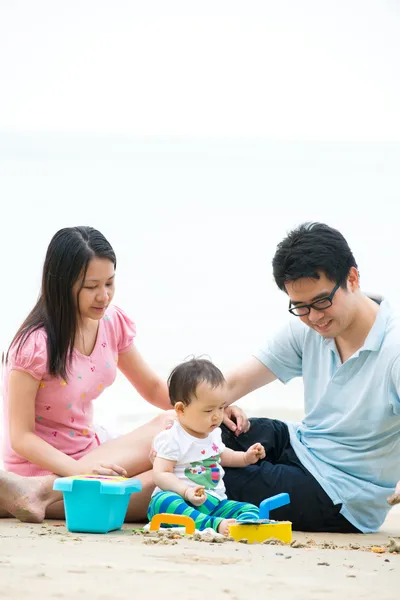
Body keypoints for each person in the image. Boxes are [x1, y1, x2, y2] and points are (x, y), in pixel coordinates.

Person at [0, 226, 246, 524]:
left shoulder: (111, 322)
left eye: (110, 283)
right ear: (62, 284)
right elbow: (21, 437)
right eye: (91, 286)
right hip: (44, 465)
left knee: (172, 453)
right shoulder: (35, 345)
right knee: (170, 485)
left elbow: (156, 390)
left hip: (94, 453)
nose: (103, 296)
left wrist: (214, 405)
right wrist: (77, 471)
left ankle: (43, 494)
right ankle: (37, 490)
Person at [219, 222, 400, 534]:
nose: (314, 317)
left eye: (321, 302)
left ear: (352, 279)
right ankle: (104, 471)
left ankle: (115, 498)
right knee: (191, 433)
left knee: (198, 475)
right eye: (300, 307)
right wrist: (207, 408)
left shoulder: (394, 348)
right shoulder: (308, 328)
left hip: (341, 493)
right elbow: (231, 384)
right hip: (301, 444)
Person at [148, 358, 264, 535]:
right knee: (163, 502)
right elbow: (161, 473)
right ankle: (211, 524)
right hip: (180, 499)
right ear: (181, 409)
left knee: (251, 510)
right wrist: (186, 491)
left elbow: (223, 455)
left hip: (212, 501)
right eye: (209, 410)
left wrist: (245, 457)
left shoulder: (213, 434)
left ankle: (226, 524)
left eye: (221, 407)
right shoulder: (173, 437)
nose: (217, 416)